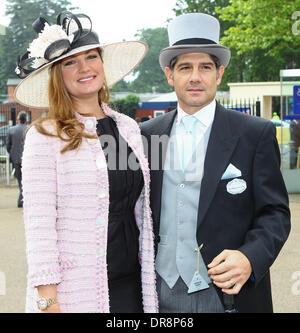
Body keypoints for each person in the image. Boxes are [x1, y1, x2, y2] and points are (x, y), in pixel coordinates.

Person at [141, 13, 291, 313]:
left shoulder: (255, 134)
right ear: (170, 76)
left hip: (226, 295)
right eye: (185, 67)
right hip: (157, 292)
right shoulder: (146, 135)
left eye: (205, 67)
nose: (195, 77)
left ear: (219, 74)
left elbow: (275, 213)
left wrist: (250, 257)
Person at [15, 11, 158, 313]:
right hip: (76, 292)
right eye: (70, 62)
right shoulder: (44, 137)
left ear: (102, 65)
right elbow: (40, 228)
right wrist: (47, 302)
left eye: (91, 57)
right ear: (57, 74)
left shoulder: (128, 128)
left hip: (132, 286)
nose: (84, 68)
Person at [6, 111, 27, 207]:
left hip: (16, 159)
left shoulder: (11, 130)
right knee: (26, 180)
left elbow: (8, 145)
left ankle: (21, 200)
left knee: (20, 179)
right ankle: (22, 199)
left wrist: (12, 154)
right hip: (27, 158)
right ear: (26, 119)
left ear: (18, 119)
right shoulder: (29, 129)